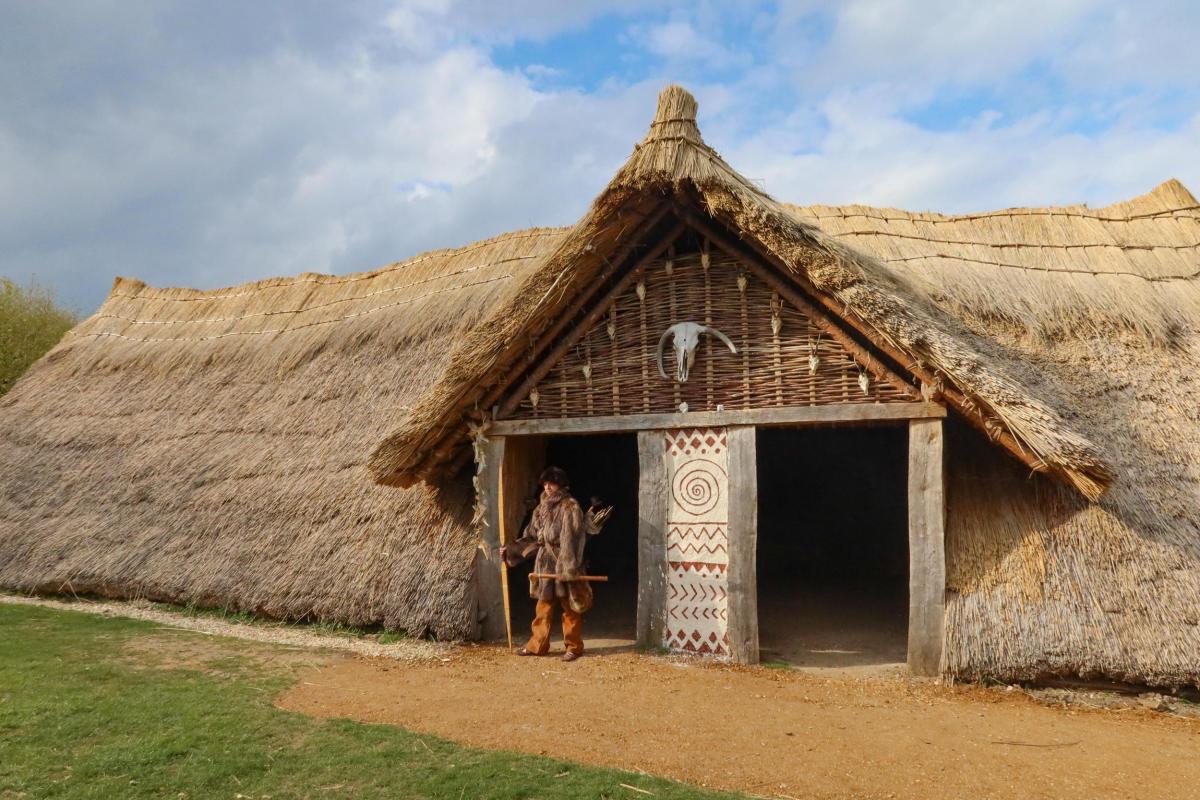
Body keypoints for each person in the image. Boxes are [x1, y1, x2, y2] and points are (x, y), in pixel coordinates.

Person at [500, 466, 588, 661]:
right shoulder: (540, 508)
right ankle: (537, 646)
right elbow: (531, 535)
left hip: (564, 561)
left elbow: (572, 539)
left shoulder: (570, 506)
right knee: (543, 607)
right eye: (545, 483)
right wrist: (511, 550)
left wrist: (568, 567)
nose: (547, 487)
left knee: (570, 607)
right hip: (545, 563)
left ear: (561, 484)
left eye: (552, 483)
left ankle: (574, 647)